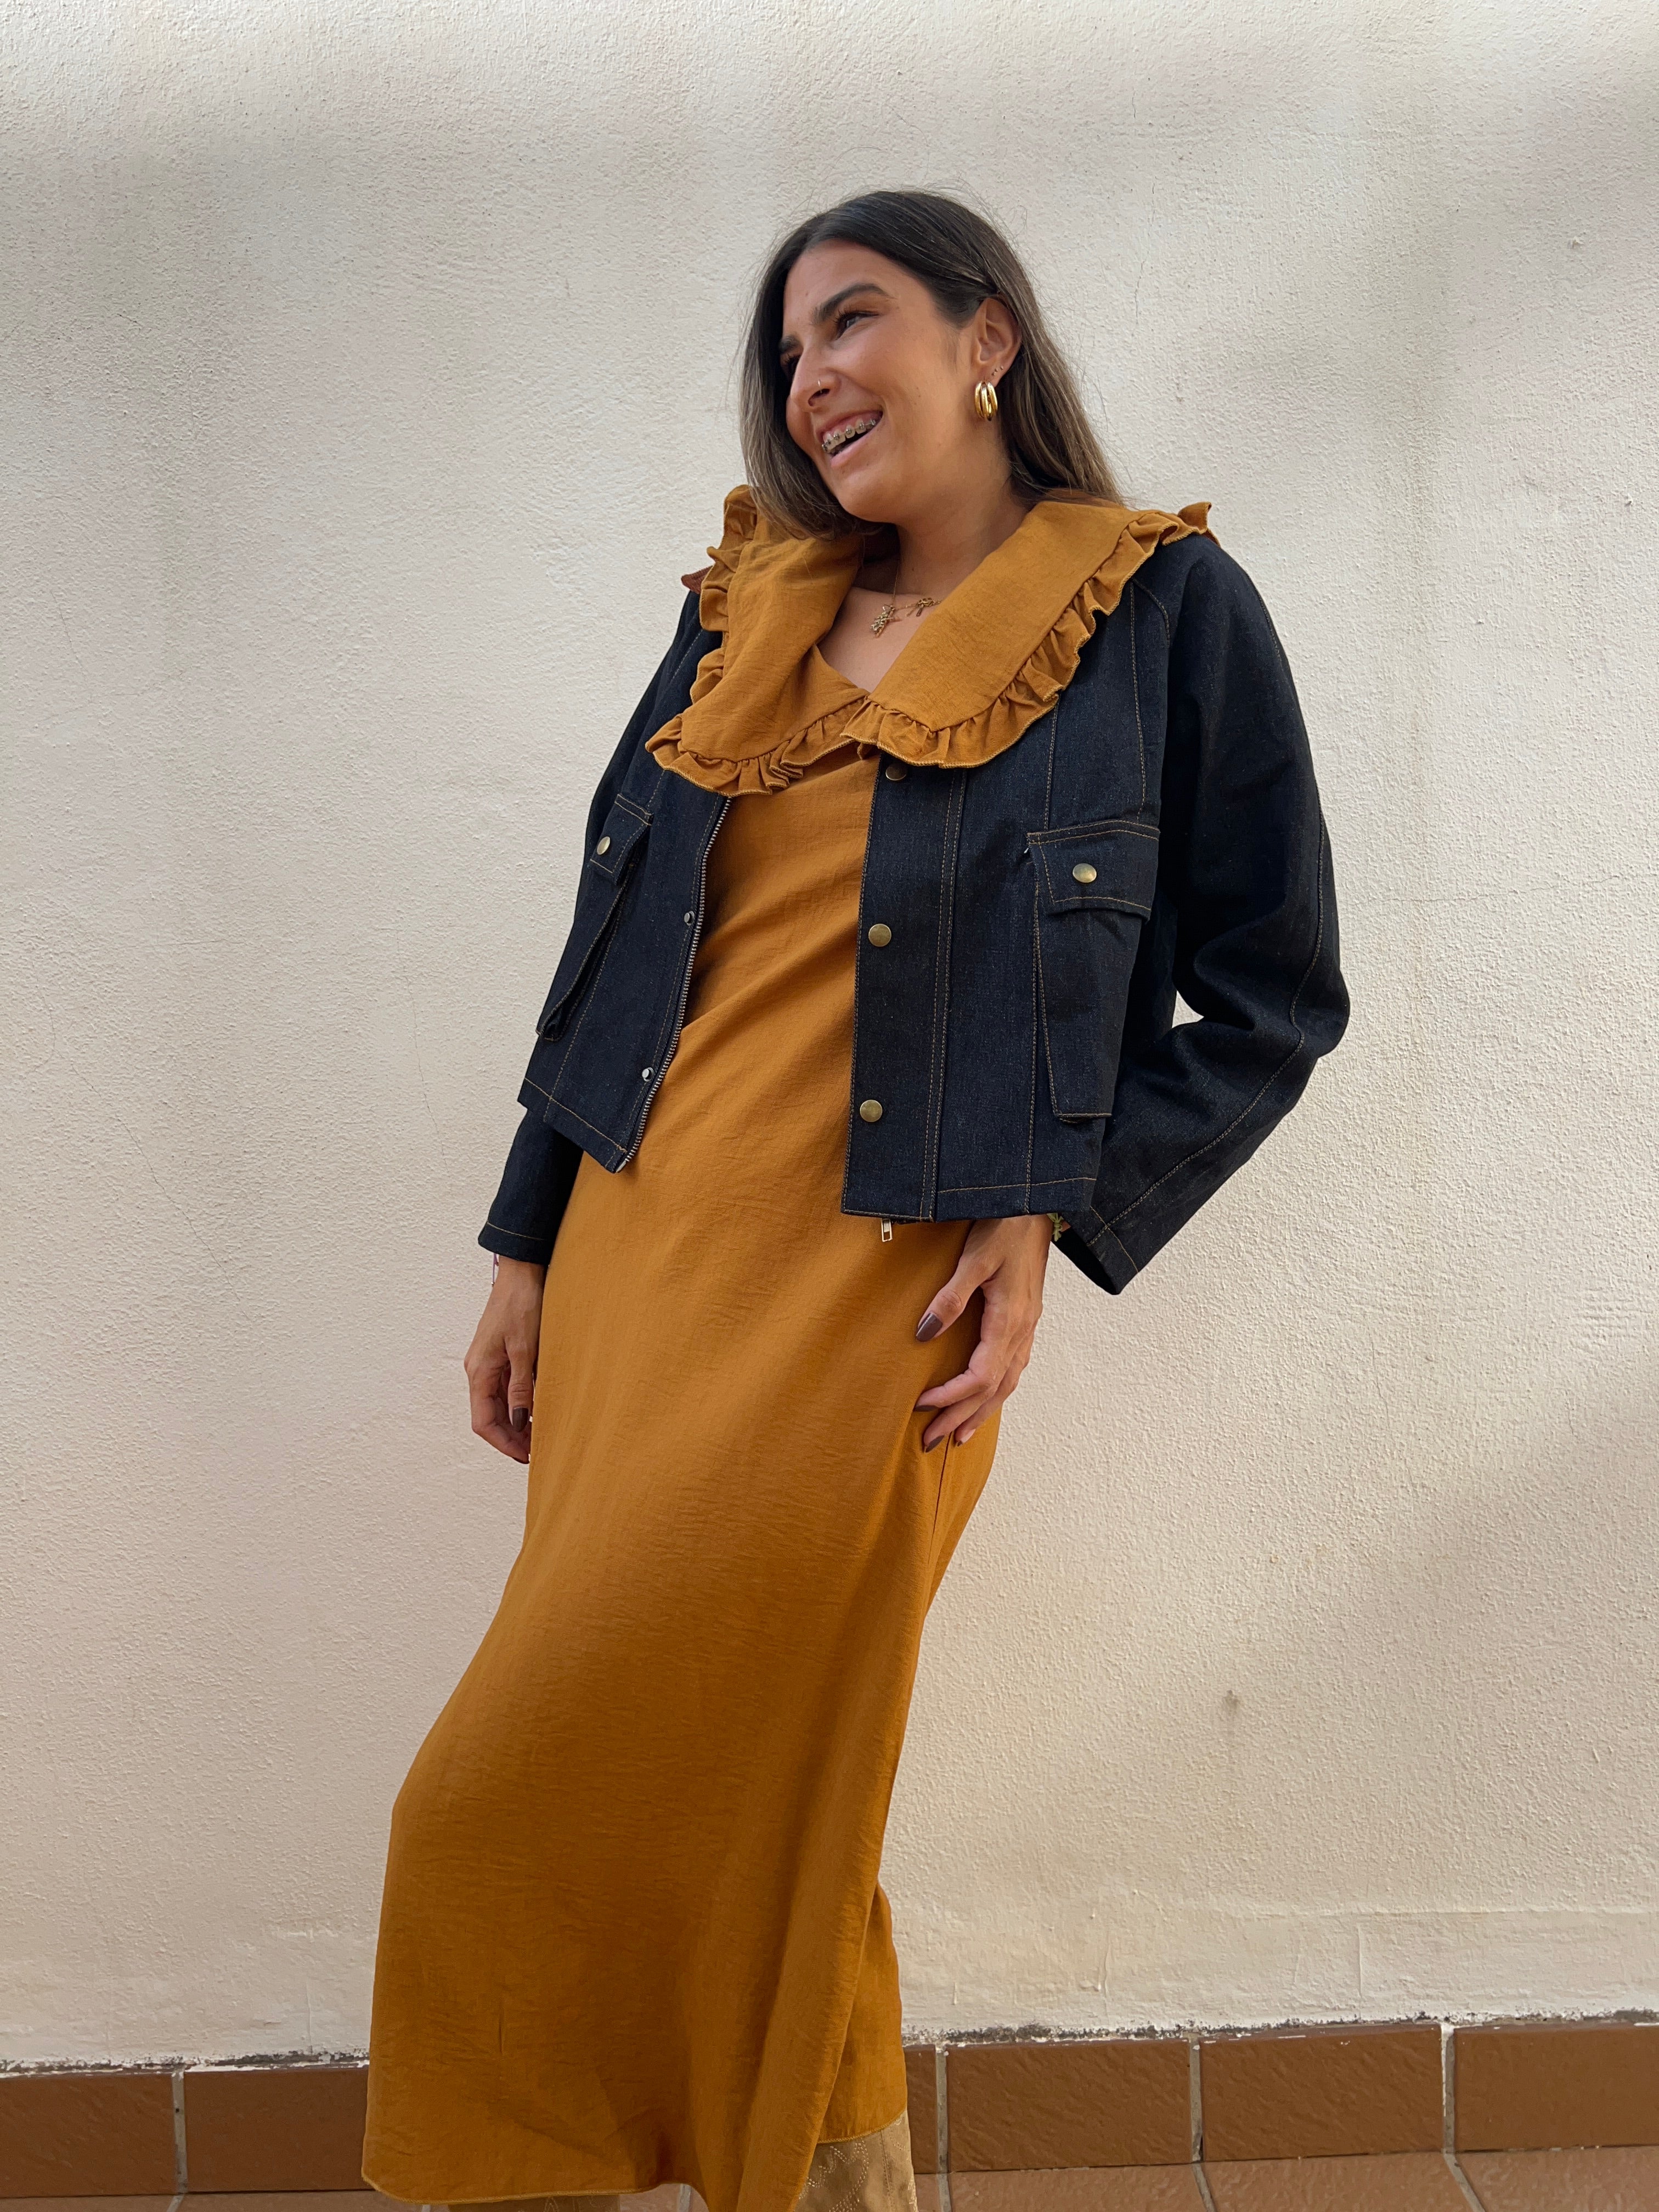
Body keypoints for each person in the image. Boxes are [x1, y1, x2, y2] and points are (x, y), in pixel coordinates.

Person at [362, 189, 1348, 2212]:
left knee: (511, 1798)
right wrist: (525, 1241)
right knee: (774, 1804)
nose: (812, 375)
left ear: (988, 340)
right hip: (641, 1255)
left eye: (855, 319)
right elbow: (612, 945)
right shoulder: (744, 608)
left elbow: (1276, 994)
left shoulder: (1161, 609)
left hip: (884, 1294)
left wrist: (1048, 1207)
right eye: (790, 346)